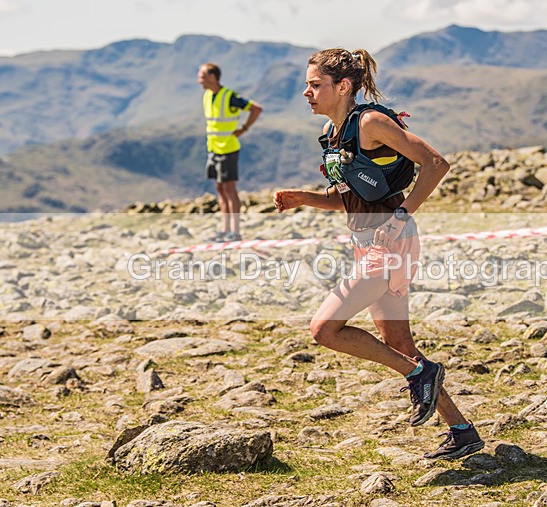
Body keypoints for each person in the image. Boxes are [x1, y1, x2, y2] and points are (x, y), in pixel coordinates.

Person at [273, 48, 485, 460]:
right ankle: (462, 431)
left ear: (343, 86)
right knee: (399, 343)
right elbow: (354, 198)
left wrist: (401, 215)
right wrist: (306, 199)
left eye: (315, 85)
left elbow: (436, 163)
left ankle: (421, 375)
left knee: (324, 330)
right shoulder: (336, 134)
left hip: (389, 245)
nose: (306, 93)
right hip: (368, 243)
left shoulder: (370, 122)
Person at [198, 62, 263, 241]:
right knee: (220, 189)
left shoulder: (229, 96)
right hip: (213, 148)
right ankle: (224, 230)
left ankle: (235, 232)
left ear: (212, 77)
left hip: (228, 149)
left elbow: (256, 109)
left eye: (202, 76)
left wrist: (244, 128)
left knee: (230, 190)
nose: (199, 80)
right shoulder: (207, 96)